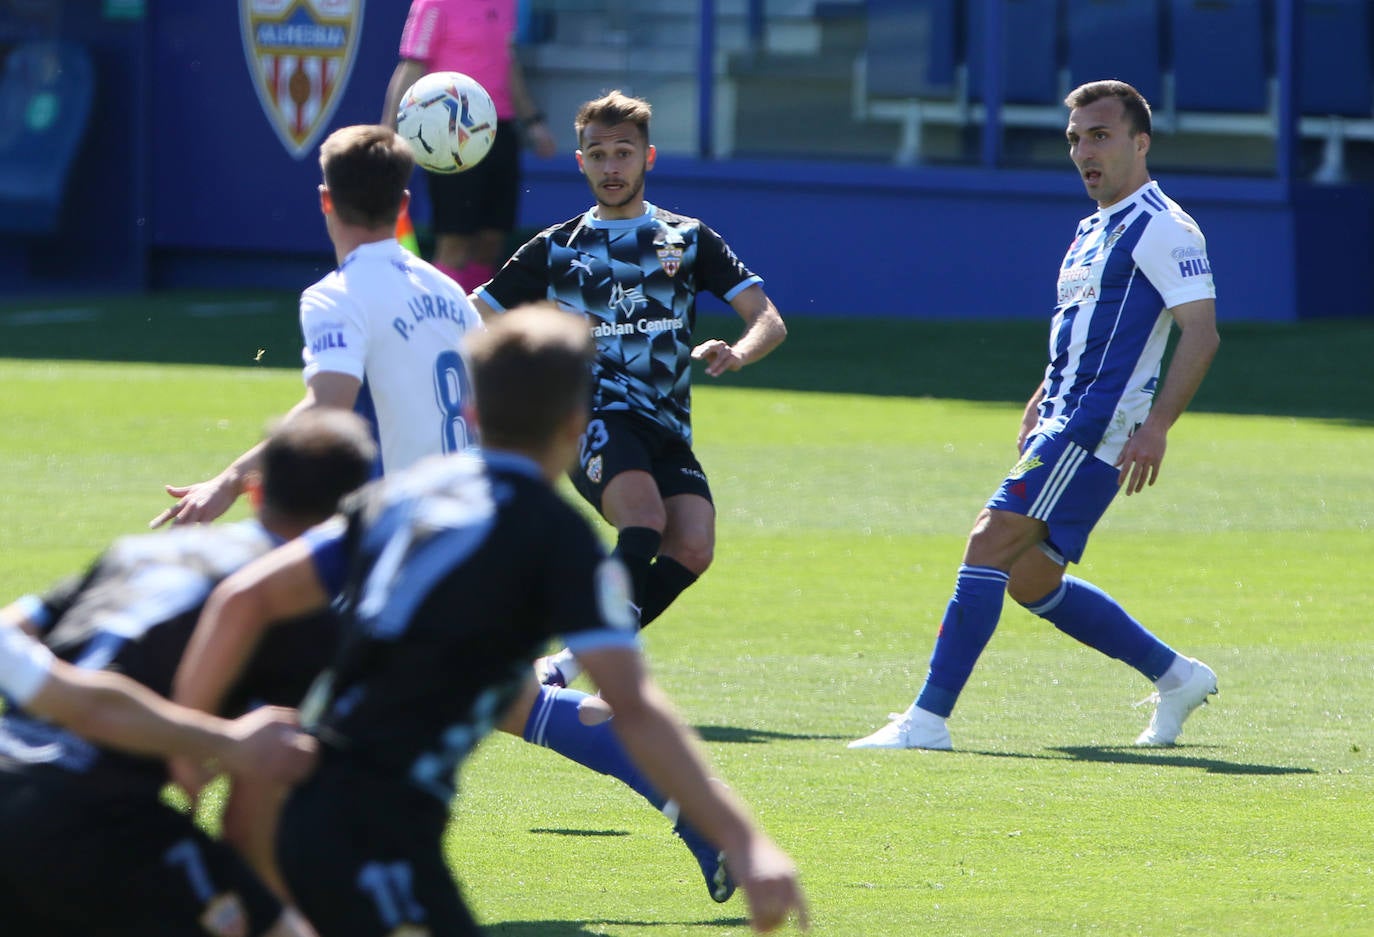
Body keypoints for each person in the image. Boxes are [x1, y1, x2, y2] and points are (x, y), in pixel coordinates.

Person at [170, 305, 809, 937]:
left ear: (471, 414)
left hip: (295, 802)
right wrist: (745, 839)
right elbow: (636, 705)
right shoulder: (559, 540)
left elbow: (242, 600)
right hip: (373, 825)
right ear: (577, 425)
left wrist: (192, 738)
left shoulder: (397, 498)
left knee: (506, 690)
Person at [850, 79, 1222, 752]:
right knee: (1029, 577)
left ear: (1141, 142)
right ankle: (1176, 675)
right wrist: (1036, 400)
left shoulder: (1163, 227)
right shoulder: (1090, 229)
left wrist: (1159, 425)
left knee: (988, 538)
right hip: (1062, 420)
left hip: (1093, 428)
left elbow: (1201, 331)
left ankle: (927, 720)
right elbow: (1078, 333)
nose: (1085, 151)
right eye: (1076, 138)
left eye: (1101, 136)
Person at [0, 409, 377, 937]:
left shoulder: (135, 553)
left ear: (255, 493)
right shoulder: (302, 617)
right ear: (356, 515)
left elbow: (12, 631)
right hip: (96, 817)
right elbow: (247, 823)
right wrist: (277, 909)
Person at [469, 90, 787, 687]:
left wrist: (738, 352)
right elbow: (476, 313)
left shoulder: (687, 239)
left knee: (692, 546)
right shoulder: (557, 247)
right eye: (598, 154)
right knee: (642, 521)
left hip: (666, 424)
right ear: (580, 162)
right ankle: (585, 663)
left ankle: (563, 659)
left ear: (649, 158)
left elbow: (767, 317)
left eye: (623, 153)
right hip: (591, 416)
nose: (611, 167)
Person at [153, 124, 484, 528]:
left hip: (401, 529)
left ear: (326, 200)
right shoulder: (449, 290)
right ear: (403, 205)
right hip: (474, 516)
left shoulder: (335, 296)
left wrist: (229, 481)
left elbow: (327, 407)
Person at [381, 0, 557, 290]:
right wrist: (389, 132)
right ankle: (443, 326)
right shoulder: (432, 4)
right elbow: (411, 65)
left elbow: (507, 63)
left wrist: (533, 121)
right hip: (449, 135)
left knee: (492, 240)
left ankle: (478, 327)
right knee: (455, 242)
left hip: (501, 130)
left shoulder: (508, 4)